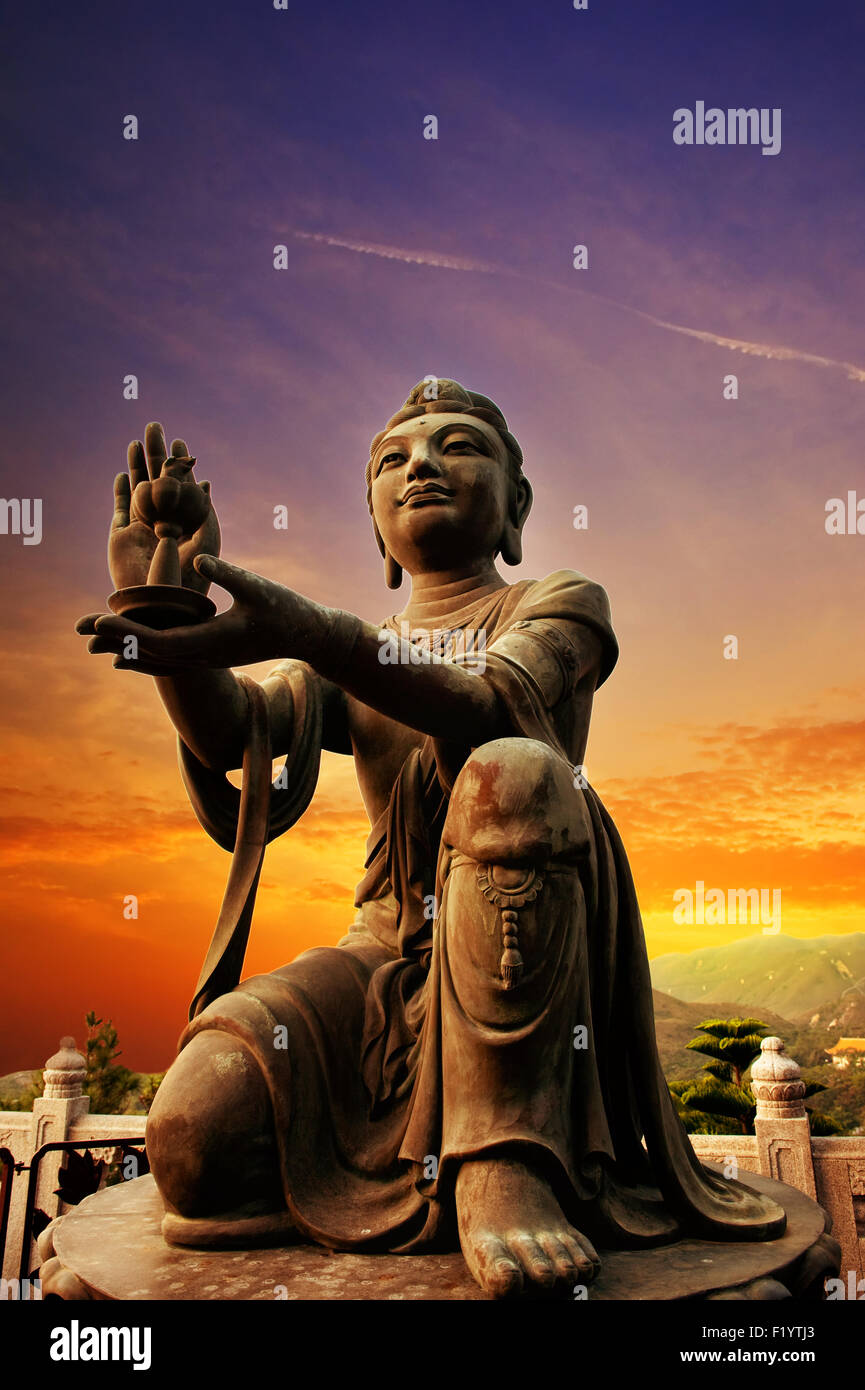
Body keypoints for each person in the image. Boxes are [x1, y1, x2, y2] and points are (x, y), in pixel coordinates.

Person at [77, 379, 784, 1298]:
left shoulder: (560, 602)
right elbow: (234, 735)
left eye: (458, 446)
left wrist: (314, 634)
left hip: (525, 939)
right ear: (377, 533)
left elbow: (490, 702)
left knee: (513, 770)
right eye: (392, 458)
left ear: (516, 507)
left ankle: (504, 1160)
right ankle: (349, 1186)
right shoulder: (355, 650)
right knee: (191, 1134)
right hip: (384, 951)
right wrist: (166, 604)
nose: (420, 463)